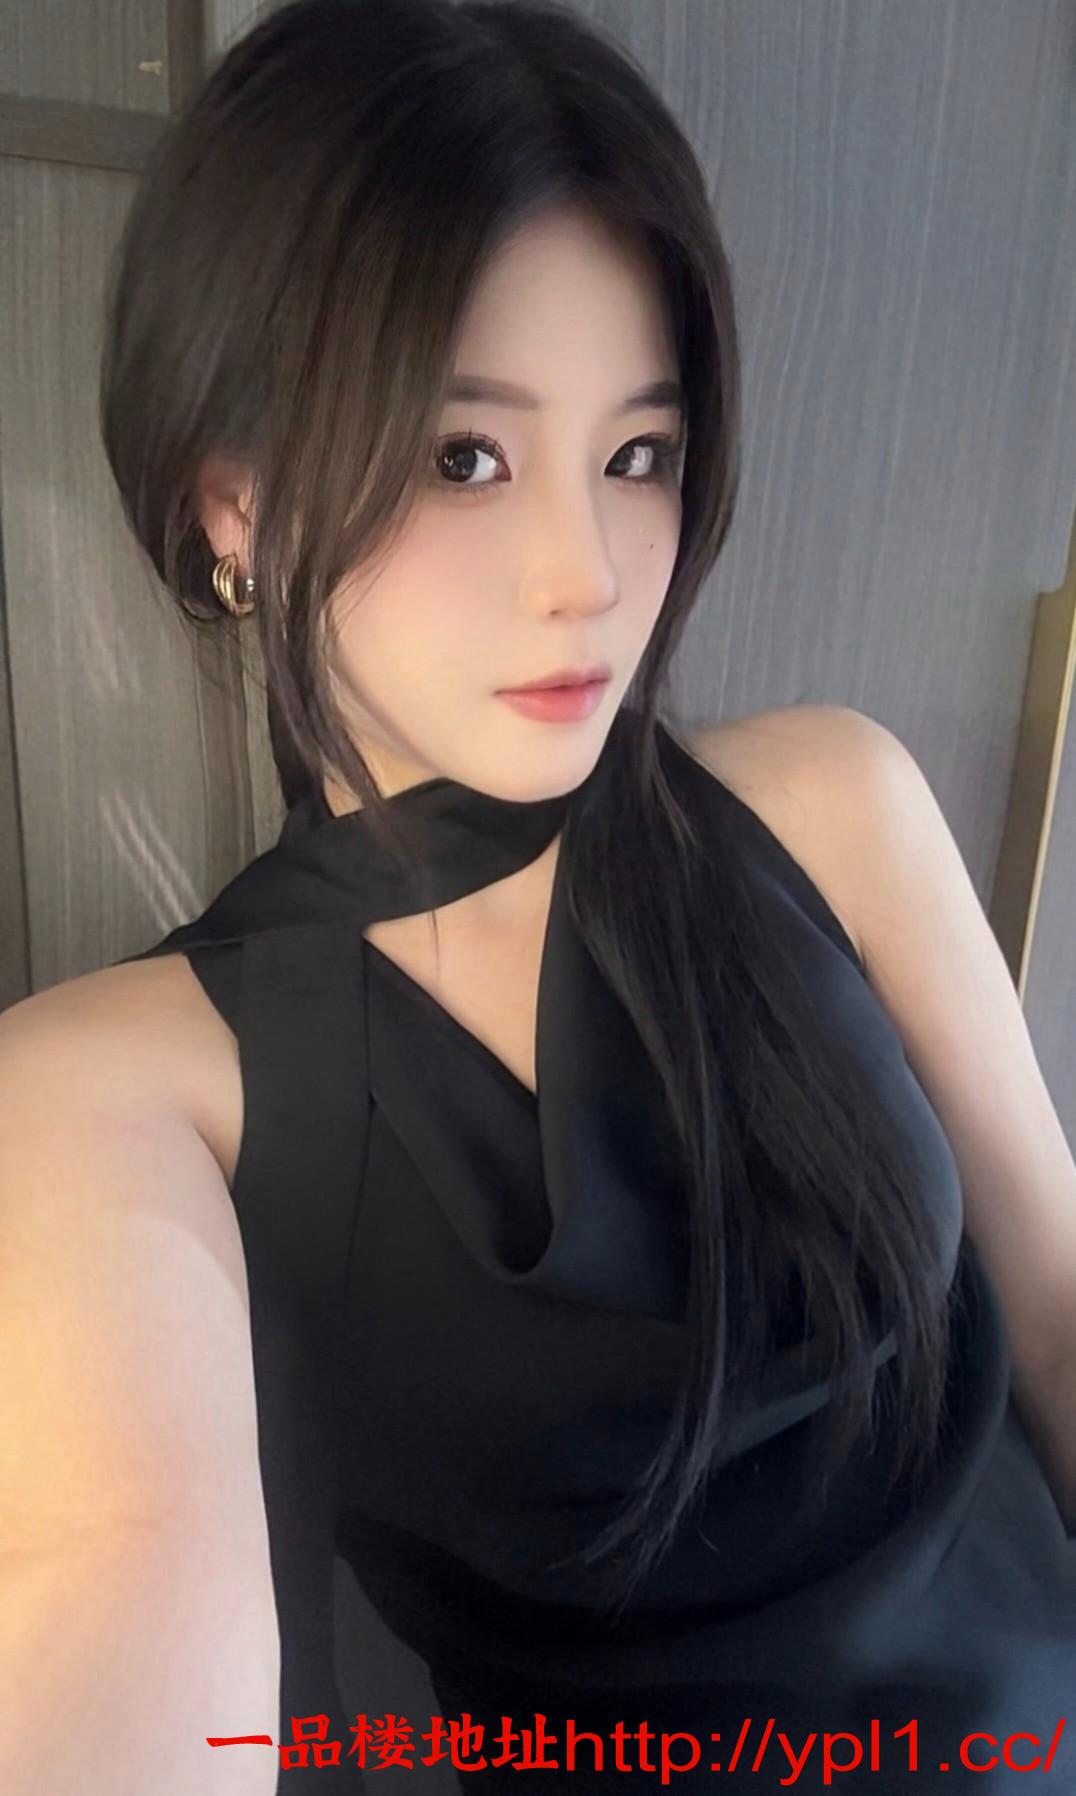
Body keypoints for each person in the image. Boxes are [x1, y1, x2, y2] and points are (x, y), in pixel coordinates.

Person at [2, 1, 1073, 1791]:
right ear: (232, 504)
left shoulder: (831, 804)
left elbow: (1055, 1311)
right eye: (464, 457)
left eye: (637, 454)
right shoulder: (116, 1084)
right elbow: (109, 1593)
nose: (587, 574)